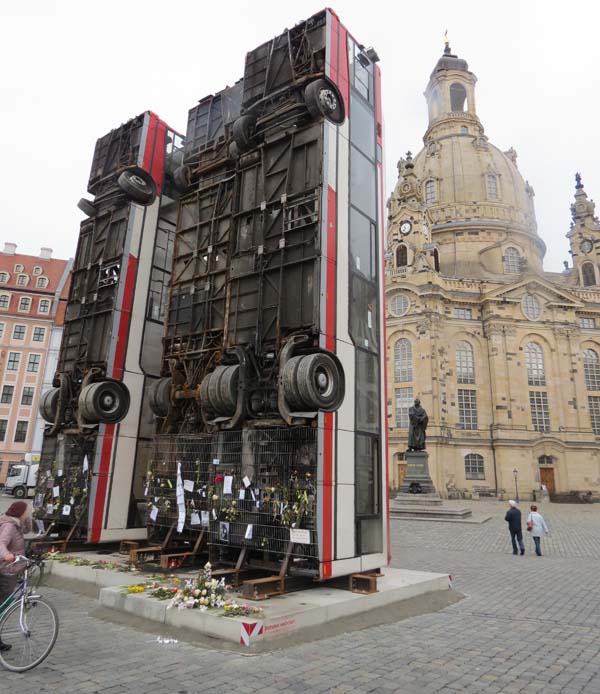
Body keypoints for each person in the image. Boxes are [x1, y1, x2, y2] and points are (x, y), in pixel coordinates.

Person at [0, 500, 31, 652]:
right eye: (26, 512)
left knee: (4, 605)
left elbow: (28, 530)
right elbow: (1, 543)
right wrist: (7, 555)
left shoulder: (17, 525)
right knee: (3, 605)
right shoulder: (9, 526)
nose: (28, 514)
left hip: (11, 570)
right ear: (20, 512)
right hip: (5, 569)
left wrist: (29, 519)